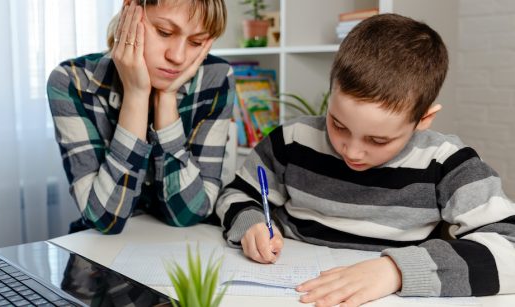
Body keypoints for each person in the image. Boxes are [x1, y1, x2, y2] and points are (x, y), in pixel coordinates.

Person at [215, 13, 515, 306]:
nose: (352, 151)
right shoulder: (291, 140)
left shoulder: (449, 163)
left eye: (378, 140)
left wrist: (396, 270)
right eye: (338, 124)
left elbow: (510, 247)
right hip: (286, 289)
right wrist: (251, 223)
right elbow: (237, 193)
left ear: (424, 119)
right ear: (331, 90)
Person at [47, 0, 233, 234]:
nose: (177, 56)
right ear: (130, 10)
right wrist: (136, 96)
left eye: (196, 42)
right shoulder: (73, 81)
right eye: (164, 32)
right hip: (101, 251)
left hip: (182, 245)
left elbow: (190, 214)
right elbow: (105, 219)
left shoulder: (216, 78)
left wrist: (166, 97)